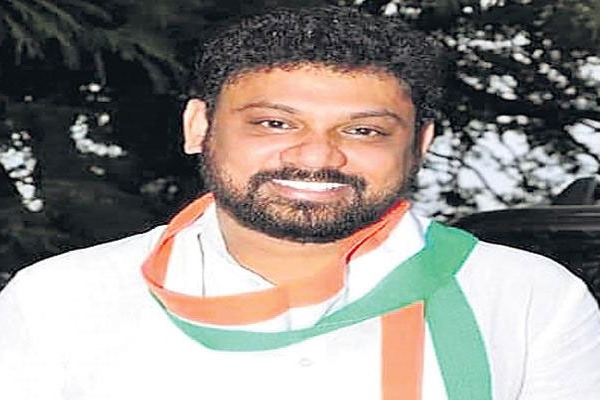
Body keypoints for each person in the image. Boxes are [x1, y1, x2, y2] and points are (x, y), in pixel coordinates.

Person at [1, 6, 599, 400]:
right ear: (198, 127)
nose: (318, 155)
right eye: (274, 123)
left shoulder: (529, 300)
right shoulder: (59, 300)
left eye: (363, 130)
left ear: (419, 145)